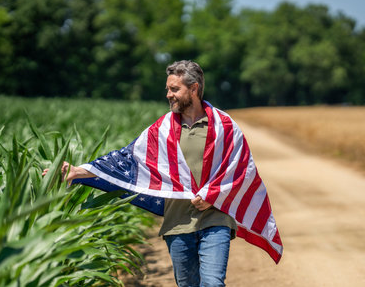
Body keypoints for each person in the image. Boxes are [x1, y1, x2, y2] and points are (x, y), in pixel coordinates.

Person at [43, 60, 282, 287]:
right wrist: (77, 171)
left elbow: (241, 169)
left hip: (216, 219)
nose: (168, 94)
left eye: (174, 89)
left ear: (194, 88)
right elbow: (125, 160)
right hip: (176, 224)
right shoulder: (161, 129)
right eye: (167, 89)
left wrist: (212, 195)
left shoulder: (225, 125)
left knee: (212, 283)